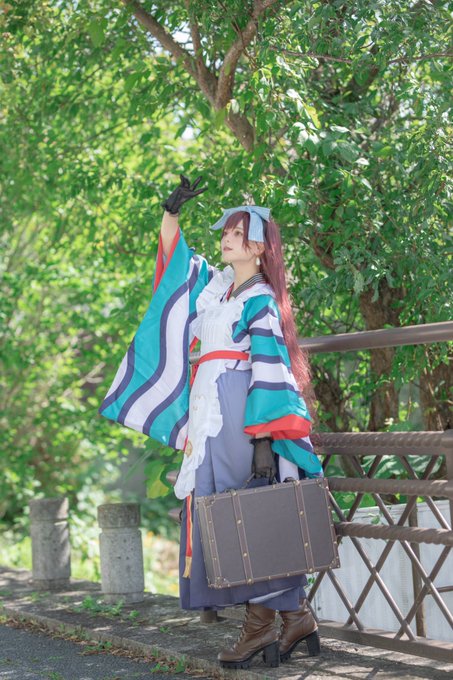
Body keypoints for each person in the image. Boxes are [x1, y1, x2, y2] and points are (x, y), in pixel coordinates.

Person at [98, 174, 323, 669]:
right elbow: (175, 267)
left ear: (259, 248)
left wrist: (263, 438)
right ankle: (296, 616)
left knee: (243, 512)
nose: (226, 238)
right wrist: (171, 213)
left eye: (238, 233)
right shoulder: (218, 290)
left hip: (239, 414)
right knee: (220, 510)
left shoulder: (260, 300)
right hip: (209, 414)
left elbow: (269, 368)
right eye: (225, 232)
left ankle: (259, 628)